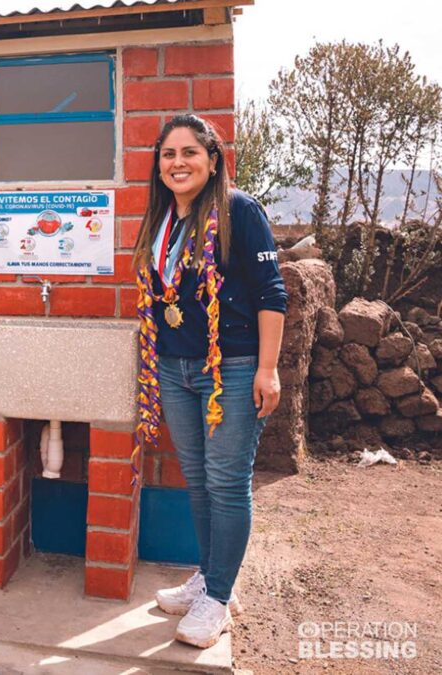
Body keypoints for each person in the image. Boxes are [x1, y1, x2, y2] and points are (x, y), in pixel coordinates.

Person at [131, 115, 287, 649]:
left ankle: (218, 598)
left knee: (226, 483)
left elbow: (272, 294)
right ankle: (210, 576)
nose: (178, 162)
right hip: (174, 369)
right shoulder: (162, 220)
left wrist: (268, 369)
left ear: (213, 160)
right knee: (197, 482)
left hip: (233, 369)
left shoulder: (239, 211)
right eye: (168, 154)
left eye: (189, 152)